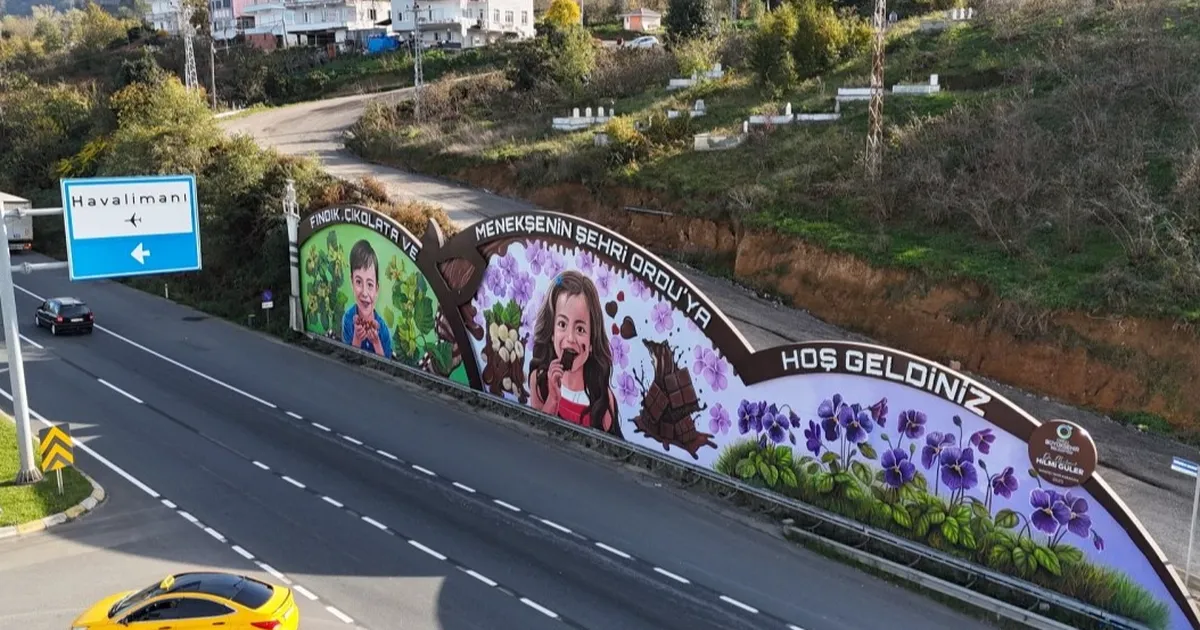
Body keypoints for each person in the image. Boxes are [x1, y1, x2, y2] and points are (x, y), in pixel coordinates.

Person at [528, 270, 622, 438]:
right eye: (562, 324)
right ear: (552, 332)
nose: (570, 338)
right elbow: (535, 437)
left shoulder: (603, 399)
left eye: (580, 329)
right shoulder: (539, 381)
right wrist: (553, 399)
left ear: (592, 340)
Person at [341, 239, 393, 359]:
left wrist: (376, 342)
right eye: (359, 282)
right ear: (352, 282)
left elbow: (387, 364)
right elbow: (348, 359)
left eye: (370, 284)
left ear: (377, 289)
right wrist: (357, 339)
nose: (364, 293)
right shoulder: (348, 319)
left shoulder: (382, 329)